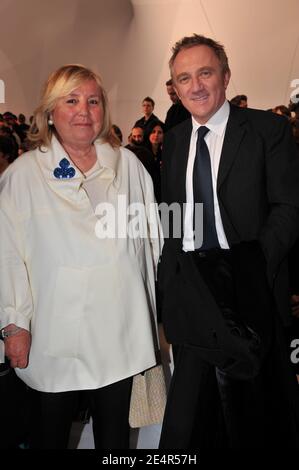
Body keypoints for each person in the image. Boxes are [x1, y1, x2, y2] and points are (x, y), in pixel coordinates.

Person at [0, 64, 162, 449]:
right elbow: (7, 255)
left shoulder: (129, 166)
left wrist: (154, 306)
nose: (84, 111)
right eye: (71, 100)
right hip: (55, 333)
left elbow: (151, 241)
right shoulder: (23, 176)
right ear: (50, 112)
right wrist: (14, 323)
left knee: (114, 439)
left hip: (118, 331)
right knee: (50, 435)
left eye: (92, 101)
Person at [158, 34, 299, 448]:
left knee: (257, 417)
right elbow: (174, 213)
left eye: (205, 72)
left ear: (225, 76)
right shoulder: (177, 139)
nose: (196, 85)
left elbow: (289, 207)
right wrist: (172, 278)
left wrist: (250, 268)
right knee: (191, 419)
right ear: (175, 88)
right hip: (193, 295)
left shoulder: (266, 130)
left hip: (251, 293)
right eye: (184, 78)